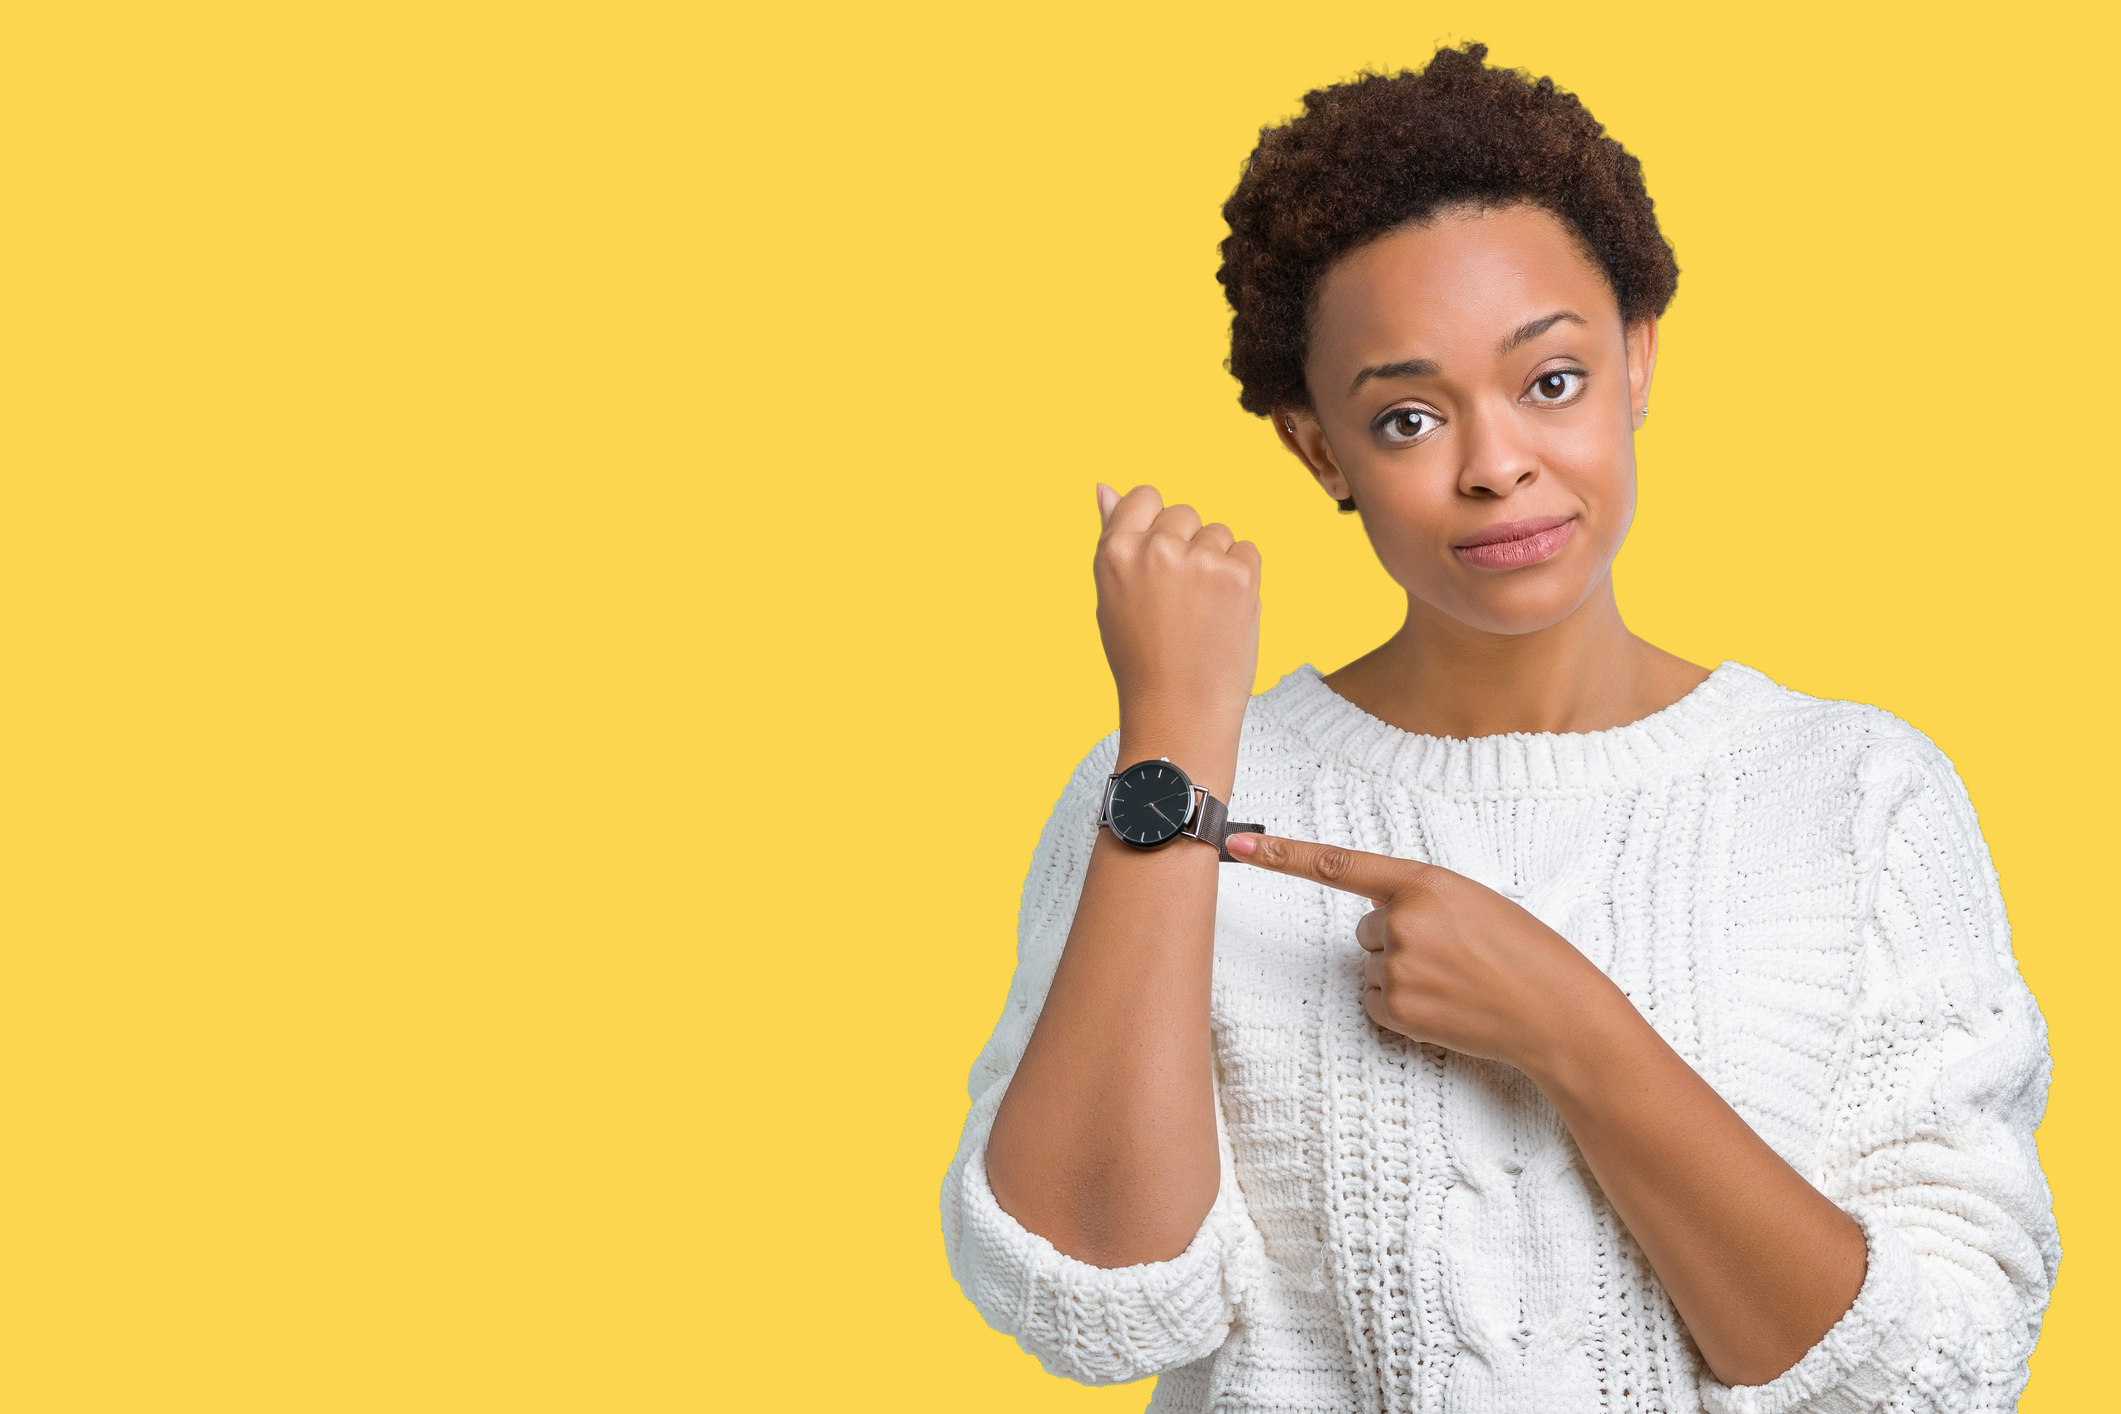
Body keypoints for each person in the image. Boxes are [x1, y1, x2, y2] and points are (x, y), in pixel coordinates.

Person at [939, 42, 2058, 1414]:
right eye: (1406, 416)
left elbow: (1938, 1374)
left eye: (1549, 381)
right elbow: (1092, 1297)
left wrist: (1572, 1030)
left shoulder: (1852, 793)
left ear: (1636, 361)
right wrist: (1174, 730)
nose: (1494, 463)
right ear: (1316, 452)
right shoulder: (1167, 795)